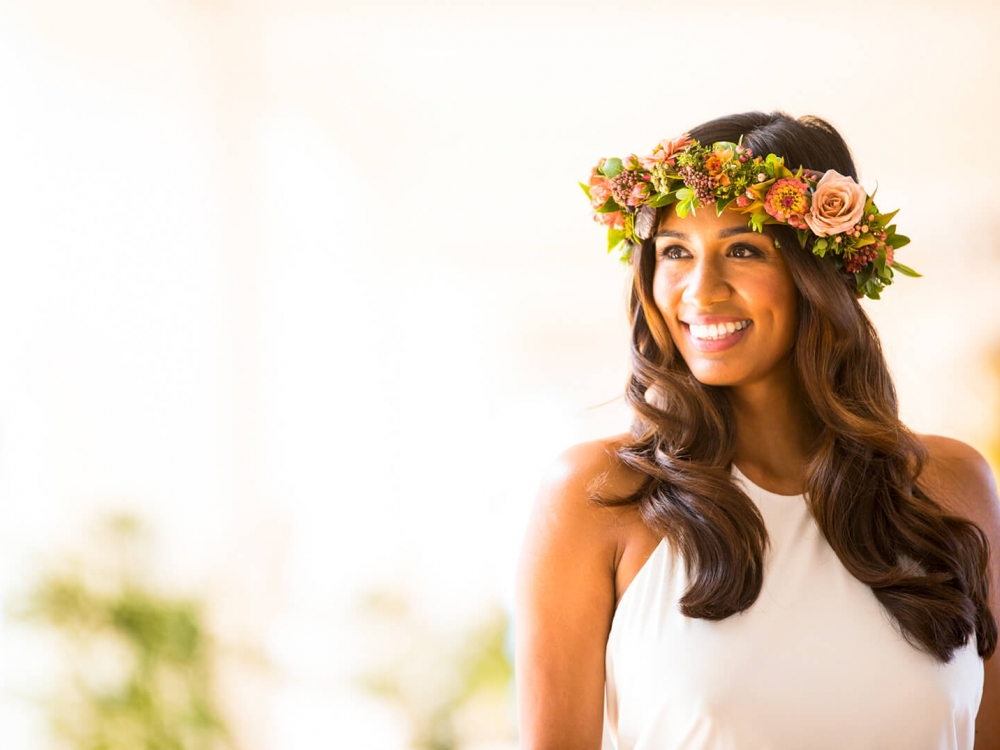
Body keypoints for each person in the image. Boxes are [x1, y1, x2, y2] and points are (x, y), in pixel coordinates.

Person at [514, 111, 1000, 750]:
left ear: (821, 278)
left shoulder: (951, 485)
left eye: (744, 249)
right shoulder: (598, 497)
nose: (701, 289)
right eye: (676, 252)